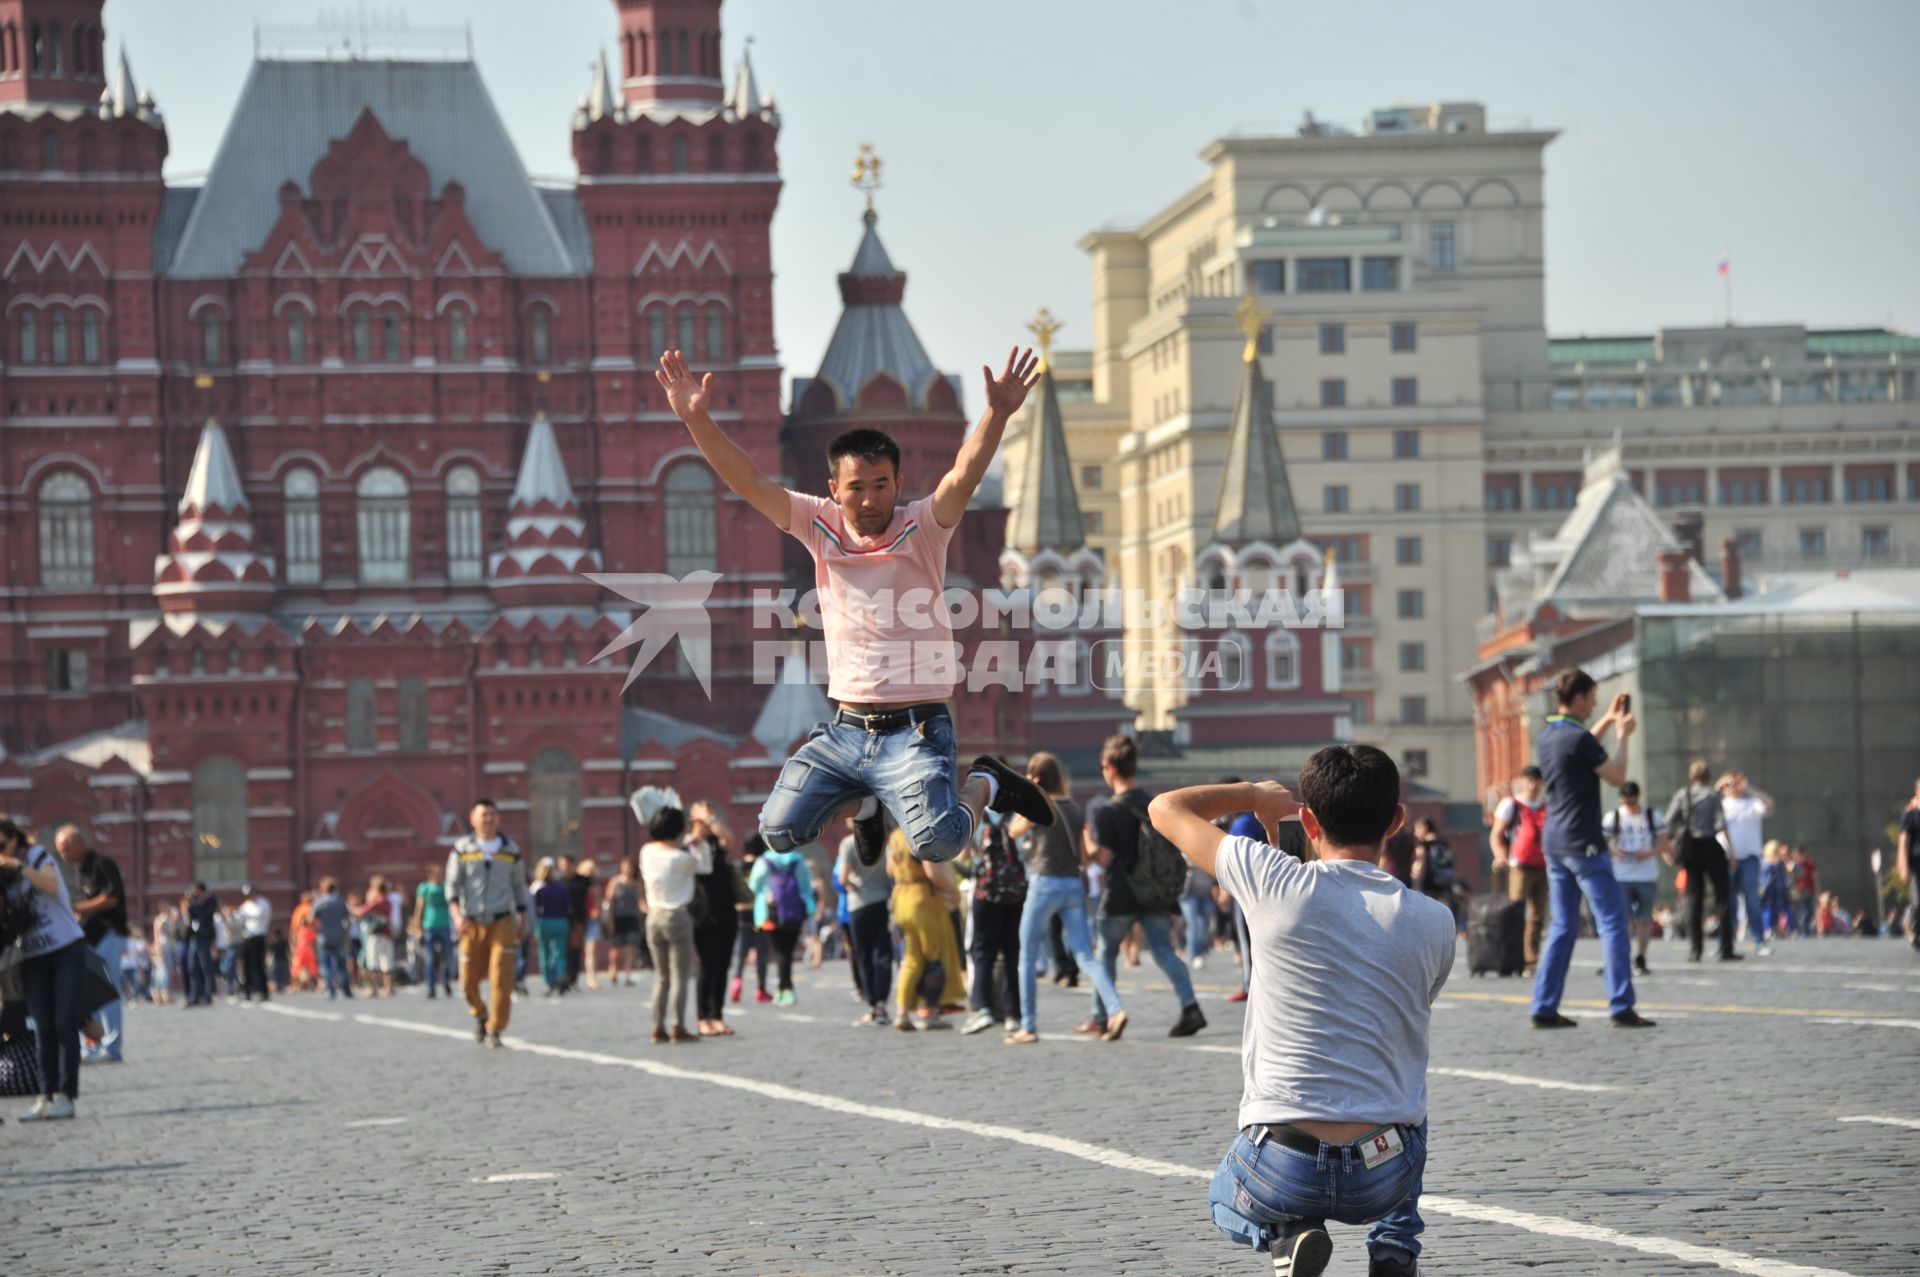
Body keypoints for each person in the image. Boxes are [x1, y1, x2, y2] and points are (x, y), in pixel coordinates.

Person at [654, 346, 1056, 874]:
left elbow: (962, 475)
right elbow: (749, 482)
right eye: (857, 489)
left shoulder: (923, 530)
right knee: (777, 831)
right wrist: (696, 419)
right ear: (834, 491)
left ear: (898, 485)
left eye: (881, 486)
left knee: (939, 843)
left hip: (917, 728)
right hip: (845, 728)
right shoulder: (817, 525)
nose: (870, 501)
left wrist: (998, 413)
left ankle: (988, 780)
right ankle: (867, 803)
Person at [1149, 747, 1454, 1277]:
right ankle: (1394, 1249)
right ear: (1396, 822)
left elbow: (1165, 809)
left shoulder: (1274, 880)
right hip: (1380, 1169)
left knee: (1223, 1198)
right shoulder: (1435, 920)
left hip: (1283, 1165)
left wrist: (1252, 796)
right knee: (1410, 1099)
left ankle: (1286, 1236)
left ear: (1308, 820)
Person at [1529, 671, 1654, 1030]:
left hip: (1554, 843)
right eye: (1593, 697)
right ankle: (1621, 1005)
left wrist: (1608, 720)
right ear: (1580, 698)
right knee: (1613, 922)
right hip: (1583, 842)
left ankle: (1543, 1005)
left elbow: (1582, 744)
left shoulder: (1549, 734)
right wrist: (1624, 736)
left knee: (1563, 925)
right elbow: (1616, 775)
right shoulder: (1579, 740)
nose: (1596, 703)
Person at [1080, 735, 1206, 1041]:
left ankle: (1102, 1016)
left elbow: (1105, 858)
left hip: (1121, 893)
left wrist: (1087, 841)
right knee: (1163, 950)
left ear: (1109, 768)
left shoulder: (1106, 811)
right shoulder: (1153, 805)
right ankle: (1191, 1007)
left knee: (1106, 954)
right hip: (1154, 893)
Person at [1008, 752, 1117, 1046]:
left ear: (1037, 778)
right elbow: (1082, 857)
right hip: (1072, 885)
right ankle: (1116, 1009)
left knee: (1028, 956)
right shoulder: (1073, 808)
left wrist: (1028, 793)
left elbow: (1013, 830)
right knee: (1085, 955)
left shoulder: (1039, 804)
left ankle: (1028, 1026)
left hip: (1044, 883)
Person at [1, 819, 88, 1121]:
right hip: (33, 957)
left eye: (2, 845)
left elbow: (51, 887)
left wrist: (17, 865)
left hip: (66, 949)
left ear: (14, 841)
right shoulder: (5, 879)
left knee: (64, 1022)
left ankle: (67, 1096)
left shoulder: (38, 858)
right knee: (42, 1028)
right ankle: (45, 1095)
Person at [445, 797, 532, 1048]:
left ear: (498, 818)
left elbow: (519, 887)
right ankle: (480, 1014)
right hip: (470, 923)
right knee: (467, 982)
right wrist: (457, 916)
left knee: (501, 980)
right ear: (472, 819)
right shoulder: (462, 849)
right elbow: (451, 886)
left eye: (492, 814)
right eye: (483, 814)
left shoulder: (510, 850)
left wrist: (522, 920)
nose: (488, 819)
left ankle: (495, 1029)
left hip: (502, 922)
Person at [632, 786, 712, 1044]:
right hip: (677, 917)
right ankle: (678, 1026)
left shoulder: (646, 852)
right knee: (680, 977)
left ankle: (657, 1026)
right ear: (678, 830)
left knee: (662, 977)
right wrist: (698, 842)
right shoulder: (681, 858)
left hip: (652, 917)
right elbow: (705, 867)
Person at [56, 826, 130, 1063]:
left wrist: (76, 908)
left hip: (109, 934)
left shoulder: (102, 864)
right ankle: (92, 1045)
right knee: (89, 994)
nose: (63, 856)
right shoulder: (81, 870)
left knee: (108, 992)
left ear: (79, 844)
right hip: (90, 937)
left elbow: (111, 898)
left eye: (66, 849)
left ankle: (112, 1047)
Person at [886, 828, 963, 1031]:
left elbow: (890, 870)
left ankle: (902, 1013)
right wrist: (954, 893)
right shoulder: (922, 832)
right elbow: (932, 872)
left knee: (911, 958)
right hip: (923, 899)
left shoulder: (895, 836)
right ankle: (929, 1011)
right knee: (934, 956)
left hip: (901, 897)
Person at [962, 810, 1026, 1035]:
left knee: (982, 952)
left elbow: (964, 856)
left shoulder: (976, 815)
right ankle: (1013, 1014)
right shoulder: (1015, 816)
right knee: (1011, 955)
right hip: (1014, 893)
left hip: (985, 892)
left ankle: (982, 1008)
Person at [1665, 762, 1734, 962]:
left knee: (1693, 898)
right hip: (1710, 845)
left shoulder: (1682, 795)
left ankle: (1695, 950)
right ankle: (1726, 947)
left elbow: (1668, 821)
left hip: (1690, 848)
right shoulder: (1712, 795)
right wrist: (1731, 853)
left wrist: (1668, 848)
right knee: (1722, 896)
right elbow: (1721, 824)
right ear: (1709, 776)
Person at [1602, 782, 1667, 975]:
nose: (1630, 805)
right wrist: (1615, 851)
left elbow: (1666, 844)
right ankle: (1620, 957)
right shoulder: (1613, 817)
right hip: (1622, 874)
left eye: (1633, 801)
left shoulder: (1652, 816)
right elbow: (1601, 844)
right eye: (1626, 801)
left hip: (1646, 874)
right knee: (1623, 919)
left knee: (1645, 918)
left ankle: (1641, 956)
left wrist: (1649, 852)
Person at [689, 801, 742, 1037]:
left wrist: (710, 820)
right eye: (708, 818)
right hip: (702, 914)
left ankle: (717, 1015)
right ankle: (703, 1017)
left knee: (722, 966)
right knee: (707, 966)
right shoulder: (689, 845)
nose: (713, 821)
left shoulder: (716, 844)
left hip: (726, 910)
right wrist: (701, 821)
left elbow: (728, 839)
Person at [1490, 766, 1548, 974]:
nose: (1533, 784)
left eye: (1537, 780)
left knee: (1538, 915)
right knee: (1516, 912)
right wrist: (1500, 855)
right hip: (1519, 865)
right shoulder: (1511, 804)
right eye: (1529, 780)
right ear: (1522, 781)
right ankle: (1512, 957)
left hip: (1543, 865)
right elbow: (1497, 833)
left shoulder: (1545, 806)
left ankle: (1530, 961)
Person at [838, 823, 894, 1027]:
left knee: (864, 956)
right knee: (883, 954)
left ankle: (871, 1006)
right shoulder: (886, 842)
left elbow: (843, 877)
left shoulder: (848, 844)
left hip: (858, 905)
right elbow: (891, 872)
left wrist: (856, 885)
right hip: (882, 903)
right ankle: (881, 1004)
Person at [748, 838, 817, 1007]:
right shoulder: (798, 860)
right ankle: (783, 988)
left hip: (770, 912)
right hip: (795, 912)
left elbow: (753, 885)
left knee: (779, 951)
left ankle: (786, 989)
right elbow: (806, 885)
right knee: (788, 951)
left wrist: (767, 892)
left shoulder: (764, 861)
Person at [1717, 772, 1776, 955]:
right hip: (1726, 858)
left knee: (1752, 900)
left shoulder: (1752, 804)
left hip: (1749, 858)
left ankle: (1759, 940)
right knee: (1727, 903)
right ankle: (1725, 944)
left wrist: (1748, 788)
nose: (1733, 786)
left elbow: (1770, 804)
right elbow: (1704, 803)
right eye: (1730, 783)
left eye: (1736, 782)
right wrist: (1719, 785)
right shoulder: (1719, 804)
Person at [730, 836, 772, 1004]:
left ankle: (737, 981)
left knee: (740, 951)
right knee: (762, 951)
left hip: (741, 913)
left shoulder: (737, 866)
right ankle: (761, 989)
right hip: (760, 912)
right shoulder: (764, 865)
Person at [412, 864, 454, 999]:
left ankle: (445, 980)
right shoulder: (424, 888)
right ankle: (431, 987)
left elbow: (453, 905)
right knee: (429, 959)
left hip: (445, 925)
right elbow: (419, 908)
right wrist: (417, 927)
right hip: (429, 925)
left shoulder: (446, 887)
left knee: (448, 957)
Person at [603, 857, 645, 989]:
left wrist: (648, 910)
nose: (628, 869)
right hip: (617, 918)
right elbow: (609, 901)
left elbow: (641, 901)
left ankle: (627, 975)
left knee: (631, 947)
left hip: (632, 918)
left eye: (630, 867)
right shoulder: (615, 881)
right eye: (625, 866)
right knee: (616, 949)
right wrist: (609, 921)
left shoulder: (637, 883)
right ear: (621, 867)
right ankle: (613, 970)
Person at [1407, 817, 1458, 927]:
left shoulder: (1423, 844)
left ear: (1425, 828)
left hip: (1428, 883)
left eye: (1417, 829)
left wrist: (1416, 881)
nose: (1415, 833)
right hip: (1444, 883)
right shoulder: (1444, 843)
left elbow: (1421, 864)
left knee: (1426, 915)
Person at [532, 860, 572, 995]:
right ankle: (560, 977)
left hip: (545, 922)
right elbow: (568, 907)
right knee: (560, 953)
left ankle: (548, 984)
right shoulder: (562, 888)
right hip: (561, 921)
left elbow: (537, 910)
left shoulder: (540, 891)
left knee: (544, 954)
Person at [311, 878, 354, 999]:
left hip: (324, 937)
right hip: (339, 936)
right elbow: (348, 920)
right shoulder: (341, 902)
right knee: (342, 964)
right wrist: (346, 934)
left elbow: (310, 919)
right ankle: (346, 989)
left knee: (326, 964)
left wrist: (316, 930)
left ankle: (331, 990)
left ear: (324, 889)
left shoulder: (320, 902)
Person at [353, 876, 395, 998]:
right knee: (387, 962)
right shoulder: (387, 902)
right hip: (387, 934)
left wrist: (351, 908)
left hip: (375, 934)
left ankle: (373, 988)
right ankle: (389, 988)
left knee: (372, 963)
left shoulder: (376, 901)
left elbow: (360, 912)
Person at [181, 883, 218, 1007]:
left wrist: (196, 900)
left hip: (204, 938)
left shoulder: (210, 901)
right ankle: (195, 995)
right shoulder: (193, 902)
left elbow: (205, 911)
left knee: (205, 966)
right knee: (192, 967)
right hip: (194, 938)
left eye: (196, 891)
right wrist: (189, 900)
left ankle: (207, 995)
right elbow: (189, 912)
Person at [235, 884, 272, 1002]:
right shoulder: (245, 906)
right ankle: (247, 990)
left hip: (258, 937)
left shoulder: (263, 903)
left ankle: (262, 990)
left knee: (258, 965)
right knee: (246, 965)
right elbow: (239, 921)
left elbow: (260, 915)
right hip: (247, 937)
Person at [1898, 779, 1920, 949]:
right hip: (1915, 865)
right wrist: (1903, 866)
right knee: (1917, 902)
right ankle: (1912, 925)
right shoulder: (1910, 814)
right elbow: (1903, 841)